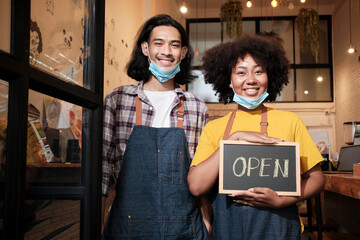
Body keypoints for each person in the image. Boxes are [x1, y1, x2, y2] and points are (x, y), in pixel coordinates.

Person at [187, 34, 325, 240]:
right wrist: (233, 139)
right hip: (228, 231)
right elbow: (196, 187)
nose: (250, 80)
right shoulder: (214, 129)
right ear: (229, 82)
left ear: (269, 77)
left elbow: (317, 178)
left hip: (280, 229)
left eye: (258, 71)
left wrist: (282, 201)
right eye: (241, 73)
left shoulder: (290, 121)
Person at [101, 14, 210, 239]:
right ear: (145, 48)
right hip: (127, 226)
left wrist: (207, 222)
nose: (166, 51)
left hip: (184, 228)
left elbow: (203, 176)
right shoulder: (118, 100)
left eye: (174, 45)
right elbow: (101, 171)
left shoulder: (196, 107)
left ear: (183, 52)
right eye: (158, 43)